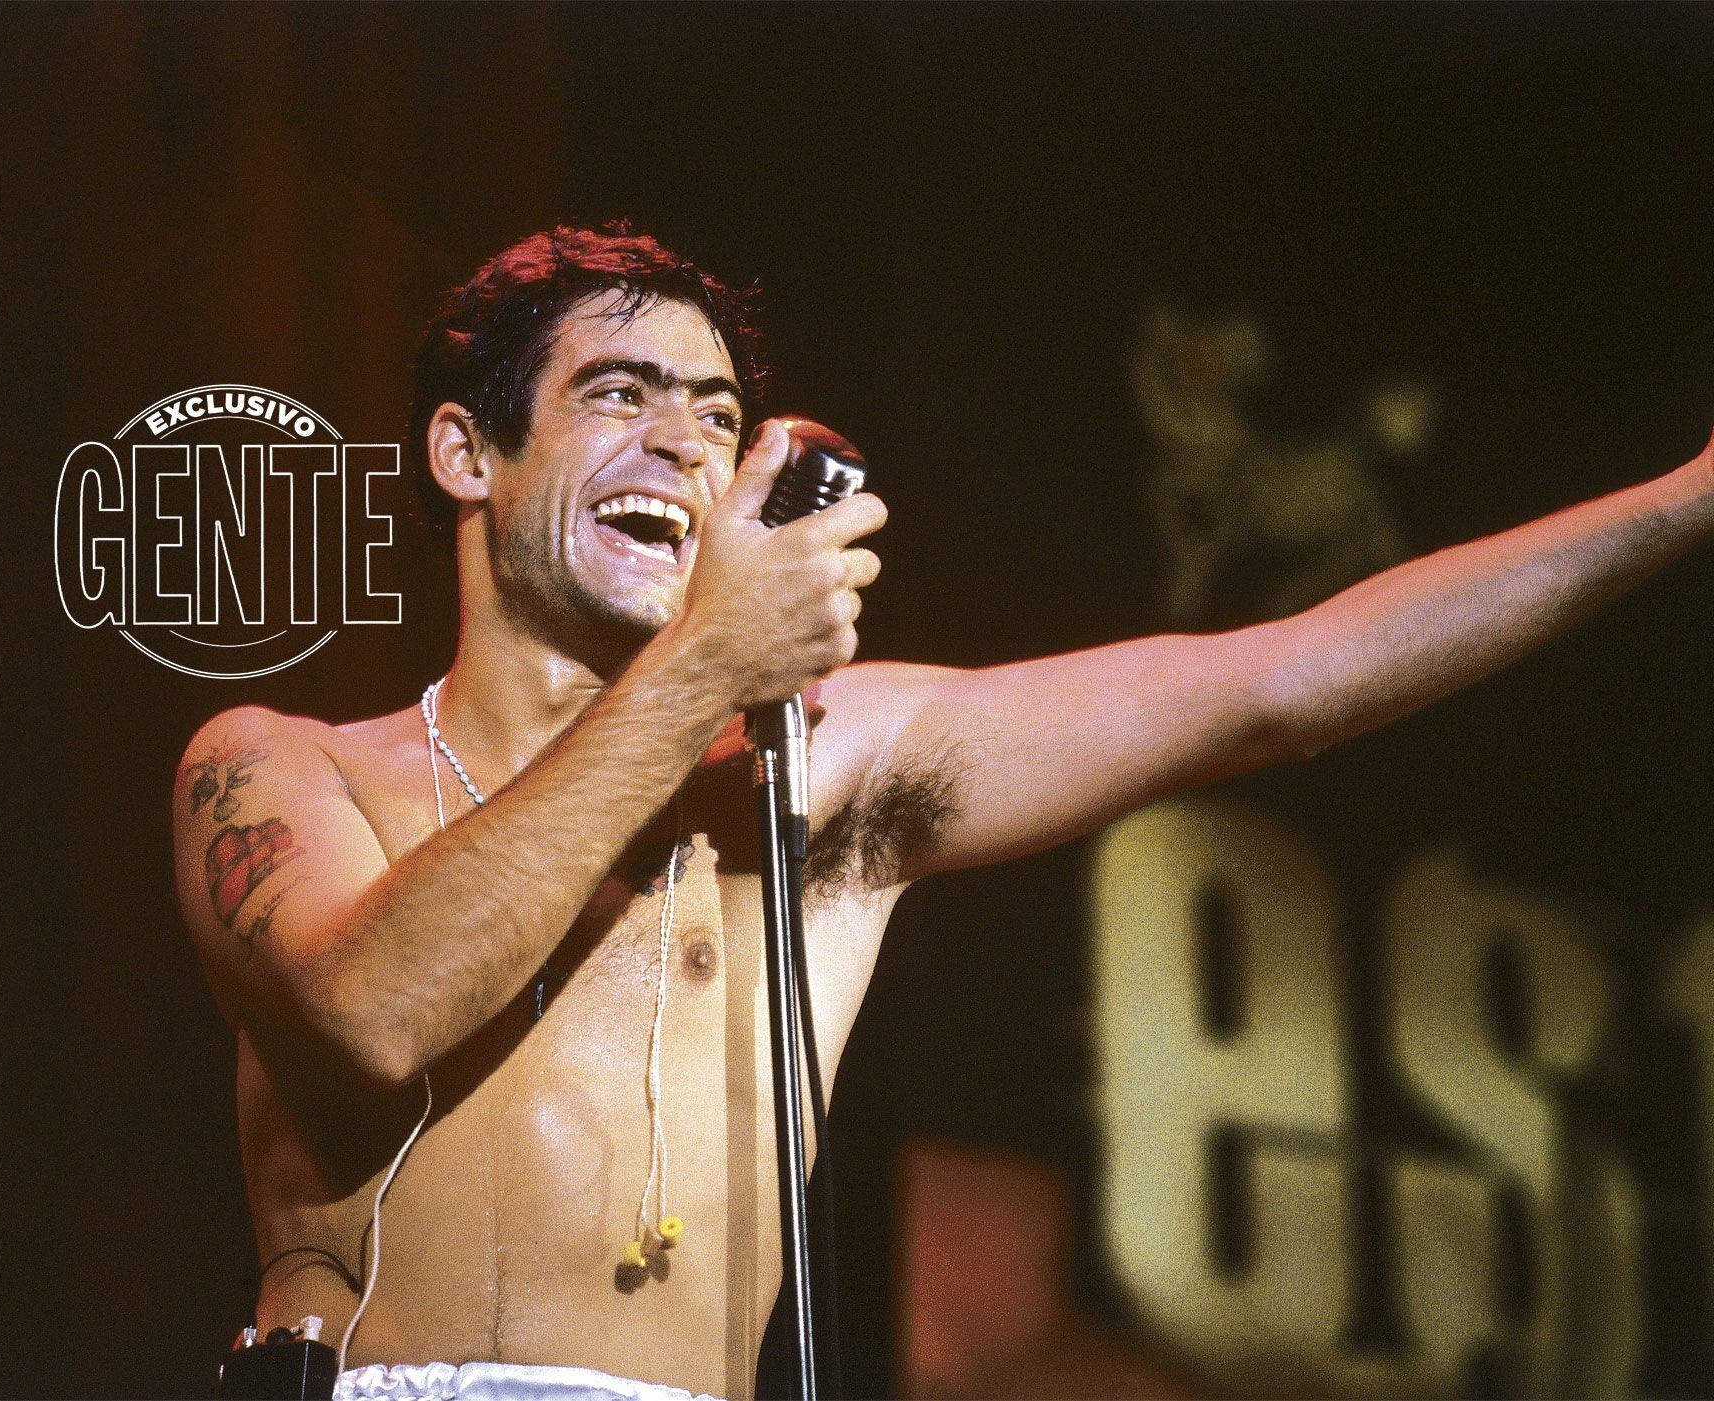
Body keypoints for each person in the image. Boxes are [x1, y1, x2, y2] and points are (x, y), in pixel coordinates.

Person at [173, 224, 1712, 1401]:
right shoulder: (275, 766)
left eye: (715, 417)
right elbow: (376, 1007)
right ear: (467, 451)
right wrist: (709, 655)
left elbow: (1281, 685)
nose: (680, 443)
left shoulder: (815, 773)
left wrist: (1686, 498)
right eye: (618, 394)